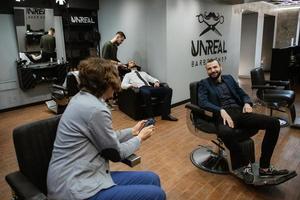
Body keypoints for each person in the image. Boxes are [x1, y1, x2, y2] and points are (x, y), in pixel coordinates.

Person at [47, 57, 166, 200]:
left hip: (87, 173)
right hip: (76, 188)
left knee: (152, 178)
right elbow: (116, 153)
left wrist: (132, 131)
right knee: (157, 195)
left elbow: (105, 138)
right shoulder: (96, 109)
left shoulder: (81, 98)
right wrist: (139, 138)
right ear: (106, 83)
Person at [198, 59, 289, 178]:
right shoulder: (204, 83)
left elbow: (242, 93)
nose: (213, 71)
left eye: (215, 67)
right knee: (226, 133)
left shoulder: (229, 79)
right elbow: (203, 102)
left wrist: (247, 103)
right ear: (207, 71)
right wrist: (220, 110)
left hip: (240, 112)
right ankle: (245, 165)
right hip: (222, 116)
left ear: (221, 67)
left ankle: (264, 167)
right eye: (209, 69)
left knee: (274, 123)